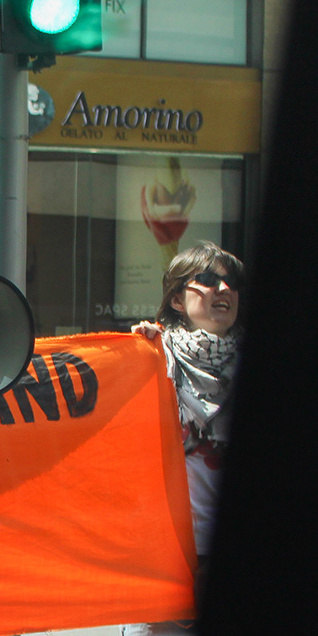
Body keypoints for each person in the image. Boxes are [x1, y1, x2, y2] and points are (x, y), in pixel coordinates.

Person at [136, 240, 243, 564]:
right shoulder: (152, 354)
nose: (224, 288)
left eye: (233, 283)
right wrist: (134, 354)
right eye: (209, 280)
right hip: (166, 554)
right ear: (178, 300)